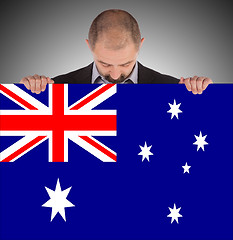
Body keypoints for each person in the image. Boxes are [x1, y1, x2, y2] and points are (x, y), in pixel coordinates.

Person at [20, 9, 212, 94]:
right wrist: (28, 93)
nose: (115, 75)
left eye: (125, 63)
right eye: (104, 63)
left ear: (140, 45)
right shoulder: (56, 89)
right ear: (89, 46)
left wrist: (203, 94)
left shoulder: (173, 89)